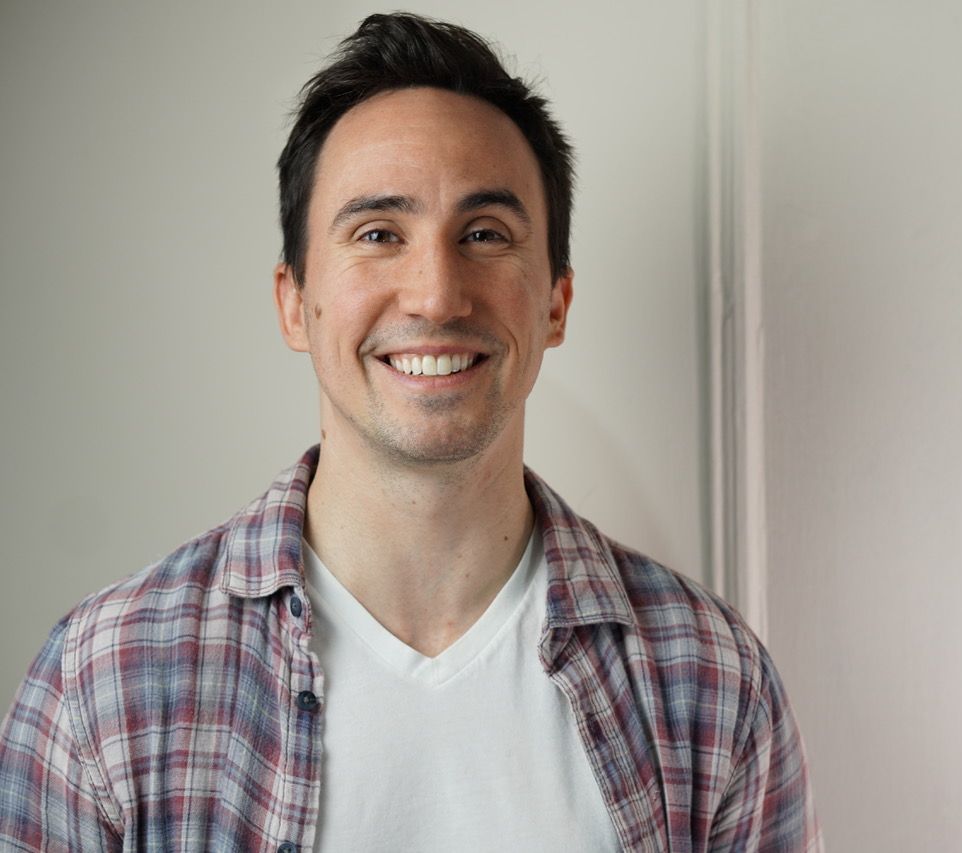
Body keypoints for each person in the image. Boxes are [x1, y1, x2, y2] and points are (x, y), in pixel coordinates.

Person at [0, 12, 820, 852]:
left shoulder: (715, 682)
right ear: (294, 302)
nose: (435, 294)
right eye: (378, 234)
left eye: (484, 235)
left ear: (555, 302)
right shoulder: (102, 683)